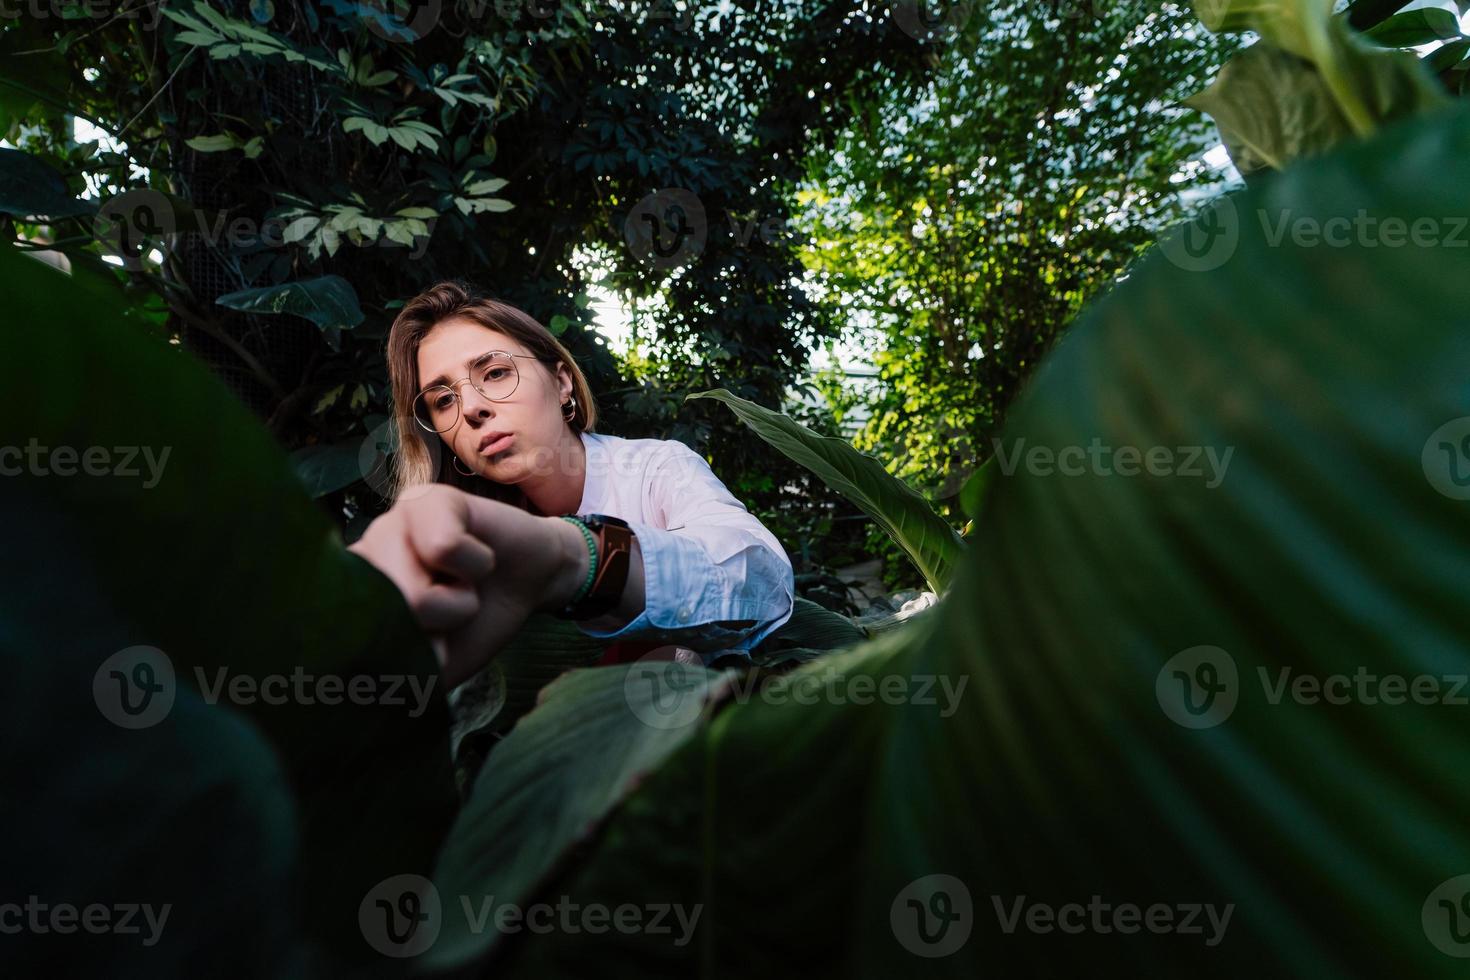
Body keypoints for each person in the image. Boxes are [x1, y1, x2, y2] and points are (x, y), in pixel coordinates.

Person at [346, 280, 795, 685]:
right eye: (444, 400)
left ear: (562, 383)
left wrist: (574, 556)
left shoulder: (655, 470)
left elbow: (762, 579)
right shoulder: (457, 541)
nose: (471, 409)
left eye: (496, 372)